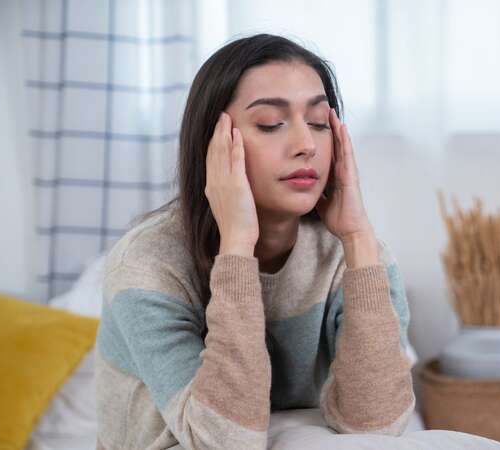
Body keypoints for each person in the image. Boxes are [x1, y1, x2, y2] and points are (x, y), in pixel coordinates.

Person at [94, 34, 415, 449]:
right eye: (270, 124)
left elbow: (376, 426)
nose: (305, 146)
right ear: (212, 143)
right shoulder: (146, 266)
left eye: (319, 123)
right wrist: (238, 246)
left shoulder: (355, 255)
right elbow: (223, 441)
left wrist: (357, 239)